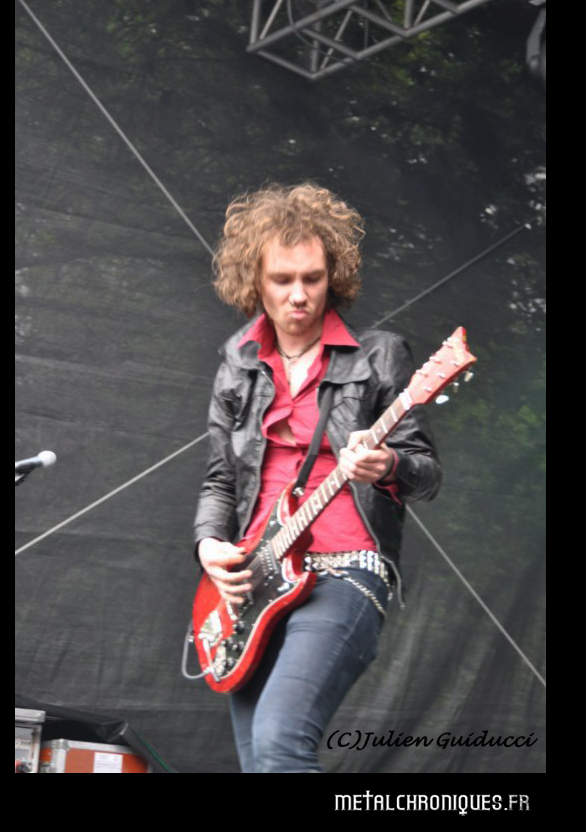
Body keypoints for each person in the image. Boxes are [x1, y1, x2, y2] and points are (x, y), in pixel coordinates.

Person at [193, 183, 441, 773]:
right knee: (259, 760)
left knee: (280, 742)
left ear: (334, 276)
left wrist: (387, 465)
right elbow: (220, 480)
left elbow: (427, 473)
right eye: (282, 280)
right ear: (255, 282)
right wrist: (208, 545)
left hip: (347, 569)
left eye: (313, 277)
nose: (299, 294)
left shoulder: (379, 355)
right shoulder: (237, 363)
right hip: (256, 578)